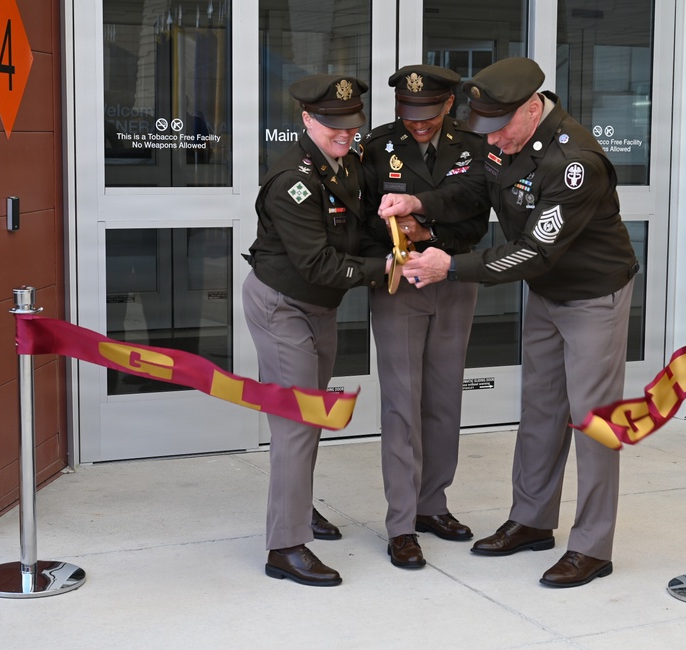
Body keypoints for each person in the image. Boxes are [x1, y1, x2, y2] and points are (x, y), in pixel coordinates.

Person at [378, 57, 639, 588]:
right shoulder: (504, 141)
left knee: (593, 421)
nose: (492, 143)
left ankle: (592, 546)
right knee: (540, 410)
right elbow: (472, 191)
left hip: (591, 296)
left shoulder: (575, 162)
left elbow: (535, 251)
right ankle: (532, 520)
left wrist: (451, 266)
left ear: (530, 109)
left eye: (499, 130)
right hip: (546, 294)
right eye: (485, 130)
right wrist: (419, 202)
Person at [242, 74, 391, 587]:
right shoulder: (293, 180)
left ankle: (299, 509)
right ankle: (284, 547)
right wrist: (388, 268)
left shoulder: (346, 161)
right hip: (284, 304)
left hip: (318, 308)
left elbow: (362, 225)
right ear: (307, 120)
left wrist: (401, 236)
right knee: (298, 423)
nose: (345, 135)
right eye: (333, 126)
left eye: (352, 125)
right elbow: (319, 264)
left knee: (312, 416)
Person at [361, 65, 490, 569]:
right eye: (408, 115)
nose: (418, 124)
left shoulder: (472, 145)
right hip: (400, 285)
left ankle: (432, 505)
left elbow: (477, 207)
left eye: (428, 115)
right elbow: (364, 216)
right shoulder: (375, 147)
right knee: (401, 402)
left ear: (449, 106)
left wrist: (424, 225)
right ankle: (400, 524)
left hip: (454, 278)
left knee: (444, 396)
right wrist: (402, 237)